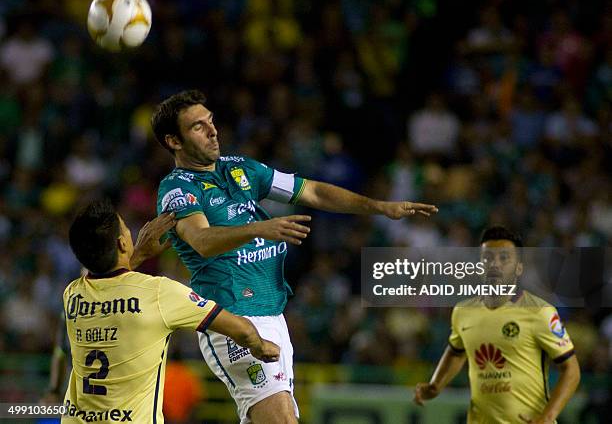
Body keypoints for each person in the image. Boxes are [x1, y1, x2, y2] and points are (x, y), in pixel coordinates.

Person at [152, 89, 438, 424]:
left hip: (272, 316)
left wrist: (377, 207)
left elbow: (312, 190)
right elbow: (201, 240)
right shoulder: (177, 189)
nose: (213, 130)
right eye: (198, 127)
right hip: (232, 320)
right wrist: (259, 229)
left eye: (211, 121)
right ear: (174, 141)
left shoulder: (240, 169)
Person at [60, 200, 280, 423]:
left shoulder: (72, 295)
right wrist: (261, 346)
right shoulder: (157, 293)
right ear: (122, 244)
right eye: (127, 230)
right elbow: (242, 331)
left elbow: (110, 284)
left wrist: (137, 256)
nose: (132, 234)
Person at [414, 226, 581, 424]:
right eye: (487, 258)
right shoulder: (463, 312)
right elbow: (456, 351)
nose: (495, 264)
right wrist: (435, 386)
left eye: (504, 258)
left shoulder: (539, 312)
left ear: (519, 267)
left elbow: (571, 370)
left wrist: (548, 416)